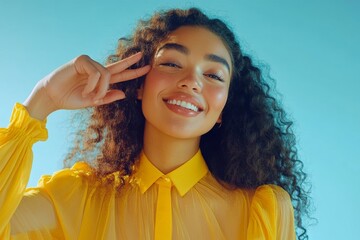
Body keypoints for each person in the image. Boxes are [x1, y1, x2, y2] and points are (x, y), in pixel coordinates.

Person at [0, 8, 310, 240]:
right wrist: (42, 102)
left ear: (223, 109)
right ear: (139, 84)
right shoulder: (73, 198)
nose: (191, 82)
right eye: (172, 64)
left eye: (213, 75)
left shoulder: (261, 211)